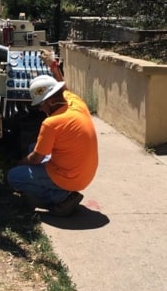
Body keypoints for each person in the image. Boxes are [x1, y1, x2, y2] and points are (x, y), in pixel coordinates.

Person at [7, 51, 99, 216]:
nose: (40, 109)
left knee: (14, 176)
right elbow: (62, 86)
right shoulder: (74, 102)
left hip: (71, 177)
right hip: (86, 172)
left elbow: (36, 158)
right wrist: (54, 67)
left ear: (49, 102)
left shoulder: (51, 123)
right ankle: (62, 191)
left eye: (41, 104)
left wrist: (19, 163)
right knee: (32, 147)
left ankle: (61, 197)